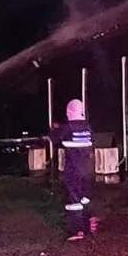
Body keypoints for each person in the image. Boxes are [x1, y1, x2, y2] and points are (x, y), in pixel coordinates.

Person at [50, 99, 96, 241]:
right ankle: (89, 222)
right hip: (88, 170)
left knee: (74, 201)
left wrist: (55, 128)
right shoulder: (87, 127)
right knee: (85, 198)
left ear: (69, 112)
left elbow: (54, 138)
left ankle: (77, 230)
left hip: (73, 171)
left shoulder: (67, 128)